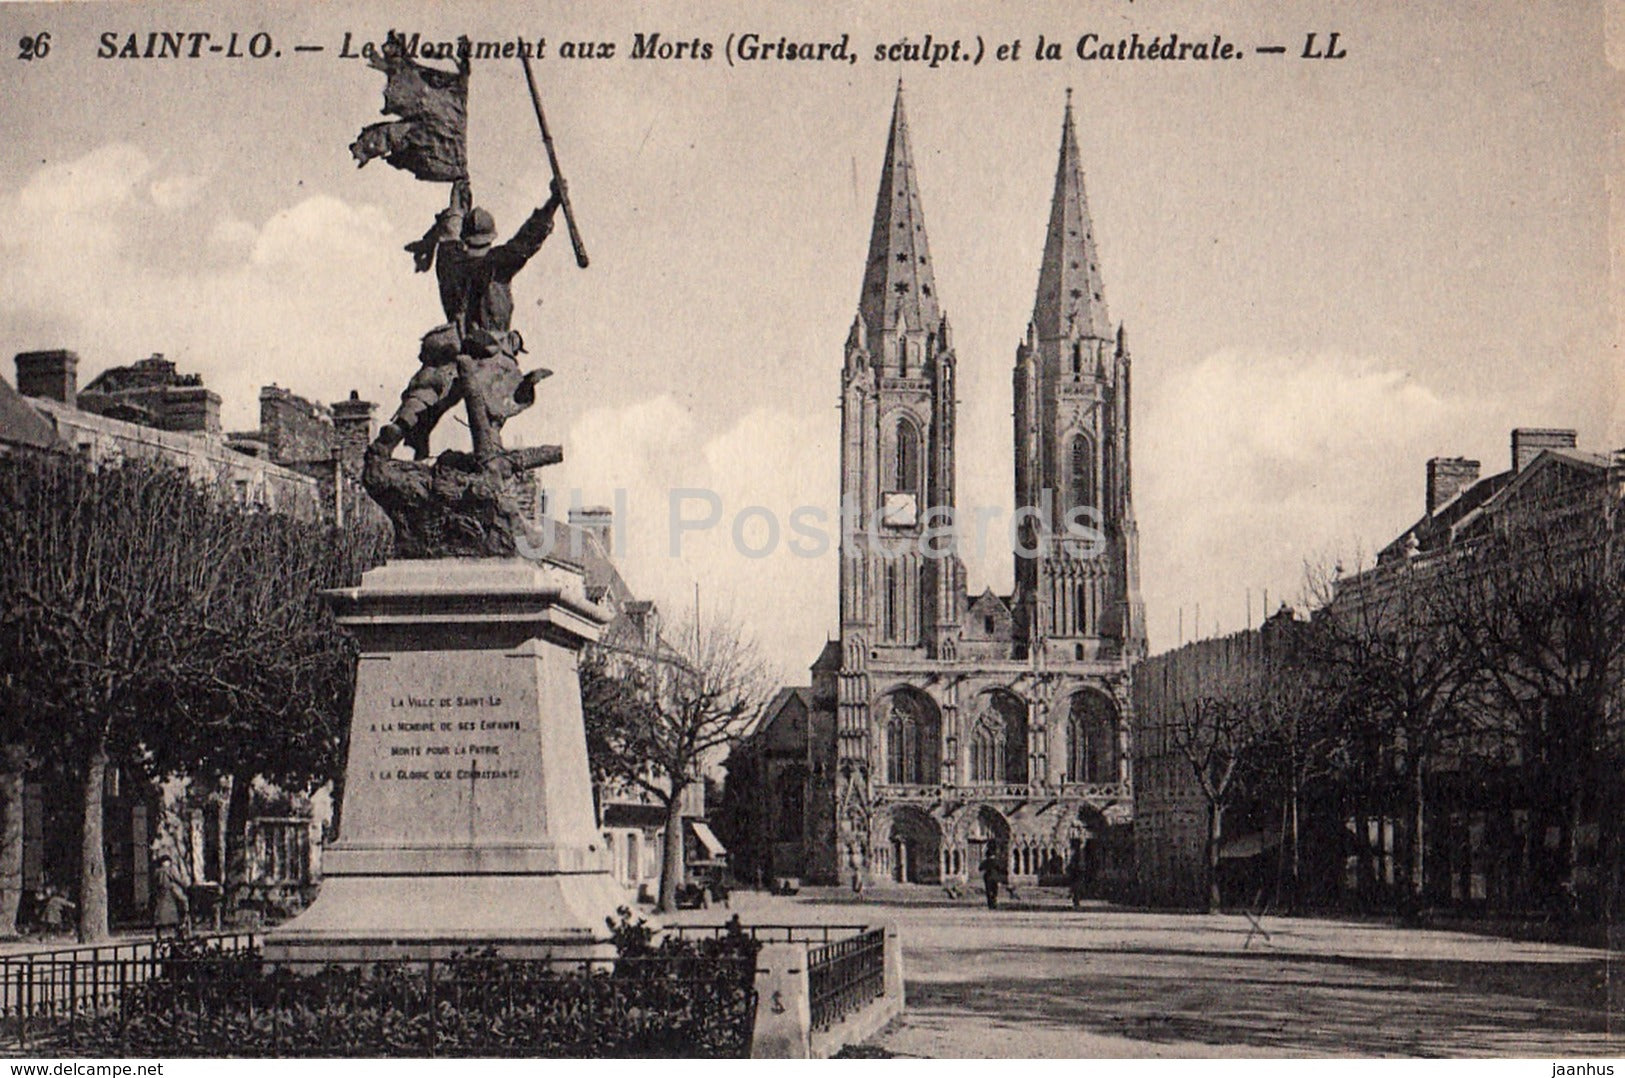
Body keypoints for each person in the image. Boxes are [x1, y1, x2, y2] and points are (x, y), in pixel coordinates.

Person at [423, 177, 565, 343]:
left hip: (458, 348)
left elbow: (450, 230)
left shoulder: (449, 260)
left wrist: (457, 198)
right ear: (490, 239)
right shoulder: (496, 263)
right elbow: (527, 240)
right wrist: (553, 202)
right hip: (492, 351)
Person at [152, 852, 190, 939]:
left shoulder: (157, 871)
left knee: (159, 915)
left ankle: (159, 935)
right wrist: (185, 885)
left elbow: (154, 883)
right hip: (169, 894)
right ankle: (179, 931)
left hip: (160, 895)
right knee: (175, 913)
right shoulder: (169, 870)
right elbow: (178, 879)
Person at [979, 845, 1004, 910]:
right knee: (995, 890)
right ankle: (994, 902)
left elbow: (980, 868)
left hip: (987, 877)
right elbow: (1000, 869)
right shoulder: (996, 861)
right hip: (995, 877)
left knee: (989, 891)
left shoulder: (986, 861)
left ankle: (990, 904)